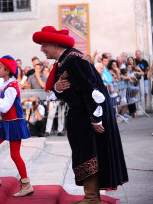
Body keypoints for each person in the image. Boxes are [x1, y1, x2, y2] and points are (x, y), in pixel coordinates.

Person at [33, 26, 128, 203]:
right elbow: (68, 88)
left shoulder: (73, 60)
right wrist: (57, 88)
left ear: (54, 44)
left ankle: (92, 198)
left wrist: (95, 118)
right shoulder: (64, 61)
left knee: (88, 152)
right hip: (80, 112)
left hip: (87, 114)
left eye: (44, 45)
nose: (42, 49)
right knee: (84, 151)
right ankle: (91, 196)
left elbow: (90, 90)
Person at [0, 55, 33, 197]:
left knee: (15, 155)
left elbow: (4, 107)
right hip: (7, 122)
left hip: (14, 123)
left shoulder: (11, 87)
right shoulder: (7, 84)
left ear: (7, 70)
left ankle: (26, 184)